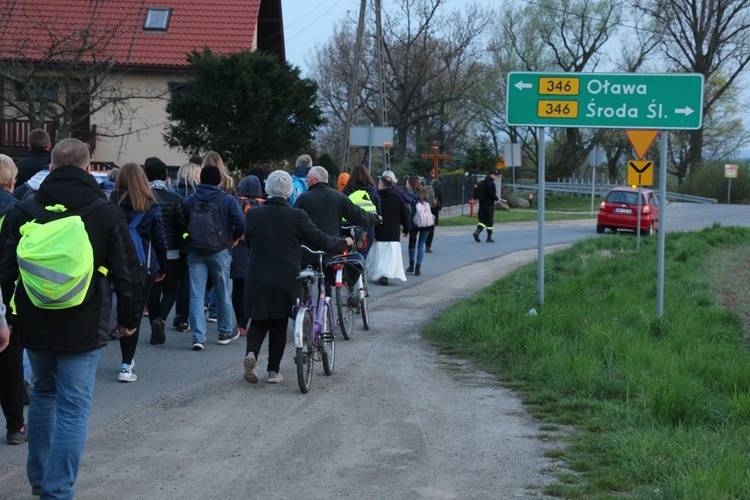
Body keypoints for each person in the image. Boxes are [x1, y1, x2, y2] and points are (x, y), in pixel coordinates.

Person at [0, 138, 143, 498]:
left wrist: (9, 316)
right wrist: (128, 318)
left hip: (34, 320)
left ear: (50, 167)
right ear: (87, 167)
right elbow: (127, 272)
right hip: (85, 321)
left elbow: (4, 272)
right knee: (74, 405)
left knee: (45, 394)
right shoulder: (104, 211)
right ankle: (58, 489)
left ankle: (39, 479)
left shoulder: (23, 208)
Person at [242, 170, 353, 384]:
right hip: (286, 277)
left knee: (258, 319)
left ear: (267, 189)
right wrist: (344, 243)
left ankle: (252, 354)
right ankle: (273, 371)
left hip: (257, 274)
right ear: (289, 191)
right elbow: (320, 239)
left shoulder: (253, 214)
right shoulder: (296, 216)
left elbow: (249, 240)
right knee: (279, 322)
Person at [110, 162, 168, 381]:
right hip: (141, 266)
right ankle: (126, 365)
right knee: (133, 315)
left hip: (113, 265)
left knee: (112, 307)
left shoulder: (111, 203)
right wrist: (163, 266)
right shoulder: (151, 205)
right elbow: (160, 240)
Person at [183, 165, 245, 351]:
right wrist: (233, 239)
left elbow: (183, 222)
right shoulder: (227, 199)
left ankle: (198, 337)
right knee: (223, 291)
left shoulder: (190, 200)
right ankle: (225, 331)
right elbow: (241, 222)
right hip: (219, 250)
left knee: (196, 294)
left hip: (195, 251)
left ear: (201, 179)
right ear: (219, 180)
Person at [294, 166, 380, 293]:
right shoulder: (338, 197)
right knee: (326, 281)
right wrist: (376, 218)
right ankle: (325, 305)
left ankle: (306, 304)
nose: (306, 180)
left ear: (315, 180)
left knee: (304, 283)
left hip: (308, 251)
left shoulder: (303, 198)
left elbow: (295, 221)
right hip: (331, 250)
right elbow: (357, 214)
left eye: (309, 178)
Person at [145, 160, 187, 345]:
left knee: (153, 291)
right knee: (170, 290)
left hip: (149, 252)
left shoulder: (143, 197)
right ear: (165, 176)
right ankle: (160, 319)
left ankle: (155, 325)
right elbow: (182, 225)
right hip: (172, 251)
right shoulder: (174, 197)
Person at [0, 155, 25, 445]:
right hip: (10, 299)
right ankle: (15, 426)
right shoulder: (19, 213)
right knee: (10, 365)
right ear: (11, 181)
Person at [230, 175, 265, 336]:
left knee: (237, 289)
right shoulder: (264, 205)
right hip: (257, 253)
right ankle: (245, 322)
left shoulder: (236, 203)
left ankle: (240, 322)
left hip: (237, 253)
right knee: (250, 290)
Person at [367, 175, 410, 286]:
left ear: (382, 184)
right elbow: (404, 214)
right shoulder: (397, 197)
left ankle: (380, 273)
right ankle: (386, 274)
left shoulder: (376, 197)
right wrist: (406, 229)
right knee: (390, 256)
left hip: (379, 229)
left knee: (379, 254)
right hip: (393, 231)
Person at [342, 164, 381, 259]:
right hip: (366, 226)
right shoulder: (371, 190)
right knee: (361, 255)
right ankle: (358, 272)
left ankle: (346, 271)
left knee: (347, 253)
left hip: (348, 226)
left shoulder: (347, 190)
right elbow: (378, 208)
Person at [406, 176, 434, 276]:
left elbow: (409, 210)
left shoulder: (409, 195)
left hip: (414, 222)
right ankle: (418, 268)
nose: (406, 185)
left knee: (412, 243)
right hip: (426, 222)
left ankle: (411, 266)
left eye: (407, 183)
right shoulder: (425, 193)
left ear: (410, 185)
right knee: (421, 244)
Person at [473, 171, 499, 243]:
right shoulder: (491, 184)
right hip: (489, 205)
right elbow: (492, 195)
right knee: (489, 221)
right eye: (495, 175)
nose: (496, 177)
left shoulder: (482, 183)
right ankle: (489, 237)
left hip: (481, 204)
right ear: (491, 175)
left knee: (482, 220)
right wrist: (497, 198)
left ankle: (477, 232)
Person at [423, 167, 443, 253]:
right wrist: (440, 205)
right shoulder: (436, 182)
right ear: (433, 173)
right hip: (434, 206)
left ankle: (421, 242)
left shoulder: (422, 182)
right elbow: (439, 195)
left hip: (423, 206)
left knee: (423, 225)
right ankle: (428, 245)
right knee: (431, 226)